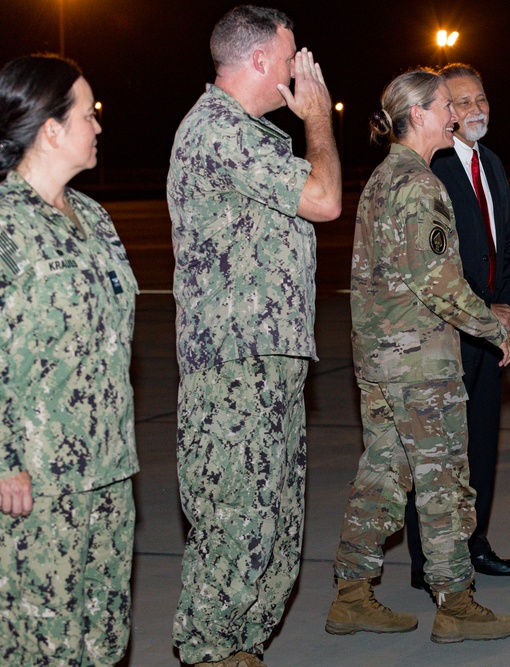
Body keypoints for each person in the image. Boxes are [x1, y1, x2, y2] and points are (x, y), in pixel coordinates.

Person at [168, 6, 342, 666]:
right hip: (234, 366)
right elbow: (325, 199)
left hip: (268, 363)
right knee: (237, 526)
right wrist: (319, 118)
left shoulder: (252, 137)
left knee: (274, 529)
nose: (301, 71)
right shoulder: (218, 130)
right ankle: (211, 652)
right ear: (261, 61)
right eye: (292, 56)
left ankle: (241, 649)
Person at [324, 68, 510, 645]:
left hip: (382, 359)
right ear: (418, 116)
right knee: (443, 483)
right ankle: (456, 603)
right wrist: (493, 329)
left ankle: (352, 595)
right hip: (418, 364)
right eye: (444, 107)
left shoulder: (384, 179)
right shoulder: (420, 184)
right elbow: (438, 282)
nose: (453, 116)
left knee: (382, 477)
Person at [0, 54, 139, 666]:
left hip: (107, 465)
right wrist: (5, 461)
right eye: (88, 113)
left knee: (104, 634)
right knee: (39, 641)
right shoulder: (5, 224)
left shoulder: (95, 217)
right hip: (38, 478)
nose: (98, 126)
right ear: (51, 129)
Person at [403, 63, 510, 591]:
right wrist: (482, 311)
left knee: (480, 443)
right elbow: (437, 262)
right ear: (443, 112)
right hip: (447, 331)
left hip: (489, 331)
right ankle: (428, 561)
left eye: (481, 98)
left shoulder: (491, 163)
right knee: (436, 451)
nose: (474, 109)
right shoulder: (430, 169)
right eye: (461, 102)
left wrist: (506, 308)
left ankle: (475, 545)